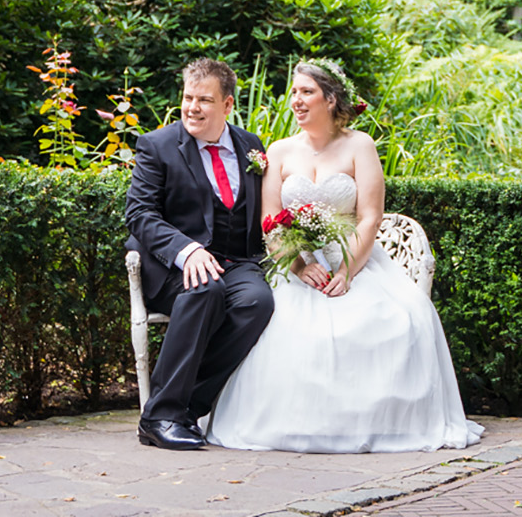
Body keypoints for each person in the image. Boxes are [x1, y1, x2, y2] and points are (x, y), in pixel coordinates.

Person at [205, 60, 485, 452]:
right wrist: (299, 265)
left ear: (331, 98)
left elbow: (370, 217)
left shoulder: (360, 145)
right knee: (277, 325)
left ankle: (374, 426)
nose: (296, 101)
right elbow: (269, 219)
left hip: (353, 258)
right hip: (296, 264)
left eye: (306, 92)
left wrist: (347, 272)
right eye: (294, 93)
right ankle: (289, 425)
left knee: (399, 321)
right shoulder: (280, 151)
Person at [124, 57, 274, 450]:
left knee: (257, 302)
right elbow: (139, 214)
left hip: (235, 261)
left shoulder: (251, 146)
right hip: (172, 264)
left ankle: (187, 408)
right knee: (205, 289)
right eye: (188, 97)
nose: (192, 107)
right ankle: (158, 417)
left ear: (227, 105)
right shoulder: (157, 146)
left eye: (204, 100)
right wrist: (186, 250)